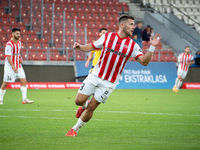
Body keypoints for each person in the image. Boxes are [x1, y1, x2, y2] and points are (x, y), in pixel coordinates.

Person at [65, 14, 161, 137]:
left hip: (109, 82)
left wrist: (152, 47)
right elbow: (93, 46)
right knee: (78, 101)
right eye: (131, 24)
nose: (133, 27)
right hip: (95, 75)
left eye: (134, 25)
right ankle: (84, 106)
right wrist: (80, 47)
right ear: (122, 25)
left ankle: (75, 129)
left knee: (92, 107)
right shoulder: (108, 36)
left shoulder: (133, 45)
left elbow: (144, 61)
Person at [0, 28, 33, 105]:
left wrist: (20, 58)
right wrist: (13, 66)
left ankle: (24, 99)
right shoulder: (9, 45)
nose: (18, 35)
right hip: (10, 67)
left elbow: (18, 53)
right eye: (17, 34)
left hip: (18, 65)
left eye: (19, 34)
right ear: (13, 34)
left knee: (24, 81)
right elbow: (8, 57)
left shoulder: (19, 43)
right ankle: (0, 99)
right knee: (5, 84)